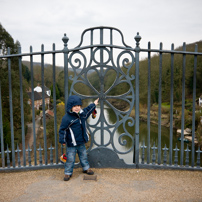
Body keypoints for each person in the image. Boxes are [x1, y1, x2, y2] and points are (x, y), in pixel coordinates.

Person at [59, 95, 99, 181]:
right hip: (71, 143)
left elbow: (89, 109)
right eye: (74, 106)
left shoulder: (82, 114)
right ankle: (68, 172)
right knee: (70, 158)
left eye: (78, 106)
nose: (77, 108)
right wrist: (62, 140)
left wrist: (94, 104)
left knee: (83, 156)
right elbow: (62, 129)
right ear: (70, 107)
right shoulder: (67, 118)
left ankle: (86, 168)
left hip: (81, 142)